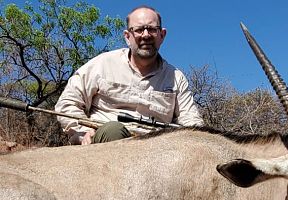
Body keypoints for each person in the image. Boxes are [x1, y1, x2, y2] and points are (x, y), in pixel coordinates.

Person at [55, 5, 204, 145]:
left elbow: (190, 119)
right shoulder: (101, 64)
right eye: (139, 30)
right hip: (105, 147)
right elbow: (68, 102)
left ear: (162, 35)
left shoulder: (176, 77)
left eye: (152, 29)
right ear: (127, 36)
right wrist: (82, 132)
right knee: (114, 131)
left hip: (158, 150)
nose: (146, 35)